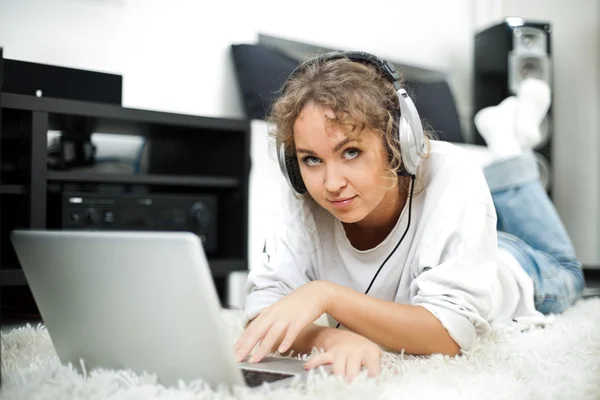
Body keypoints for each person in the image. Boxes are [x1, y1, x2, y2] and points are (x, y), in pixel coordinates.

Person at [232, 51, 585, 381]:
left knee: (569, 270)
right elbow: (264, 315)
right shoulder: (302, 193)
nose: (331, 183)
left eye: (351, 151)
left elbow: (449, 335)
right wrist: (333, 340)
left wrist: (327, 295)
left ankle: (510, 149)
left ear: (398, 142)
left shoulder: (452, 171)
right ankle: (507, 149)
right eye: (311, 159)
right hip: (449, 244)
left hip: (514, 268)